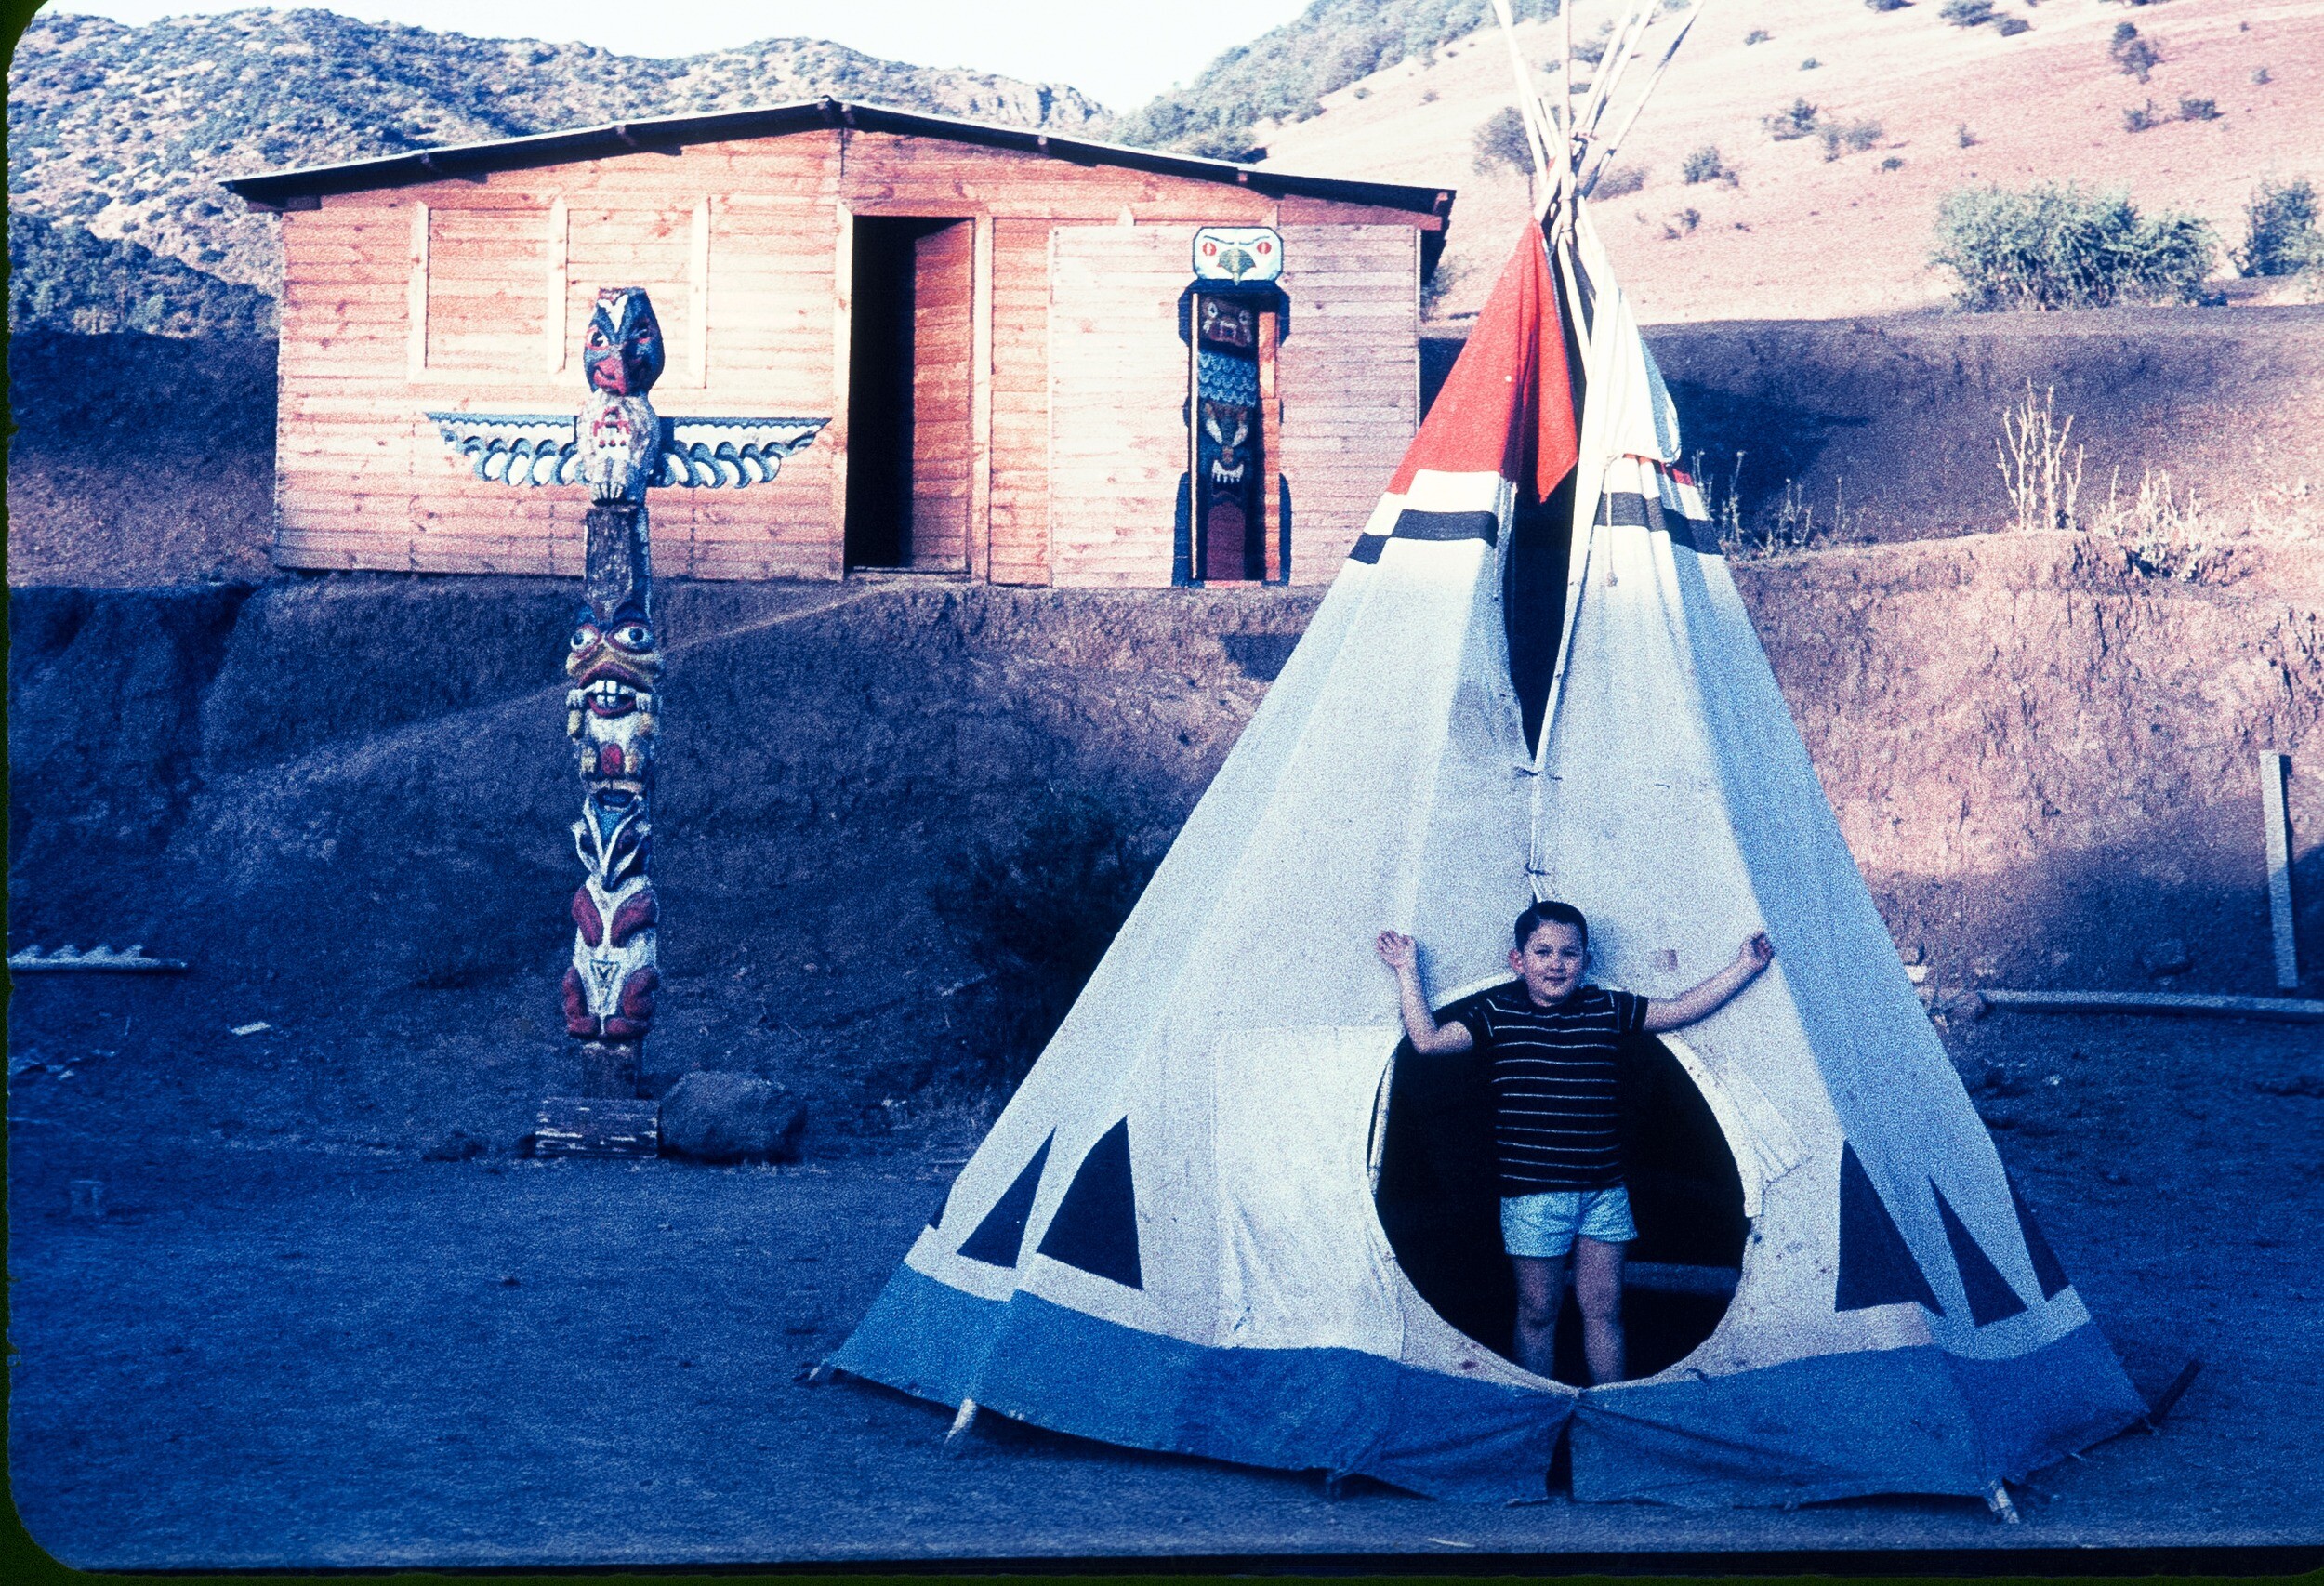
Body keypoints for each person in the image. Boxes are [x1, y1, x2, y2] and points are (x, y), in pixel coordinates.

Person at [1374, 901, 1772, 1384]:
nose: (1556, 963)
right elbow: (1428, 1041)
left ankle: (1610, 1406)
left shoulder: (1606, 1008)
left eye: (1569, 953)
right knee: (1539, 1311)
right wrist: (1406, 971)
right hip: (1534, 1197)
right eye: (1542, 952)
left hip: (1604, 1193)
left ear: (1585, 960)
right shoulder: (1499, 1013)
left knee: (1605, 1310)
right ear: (1517, 960)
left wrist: (1746, 966)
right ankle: (1539, 1404)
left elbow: (1679, 1011)